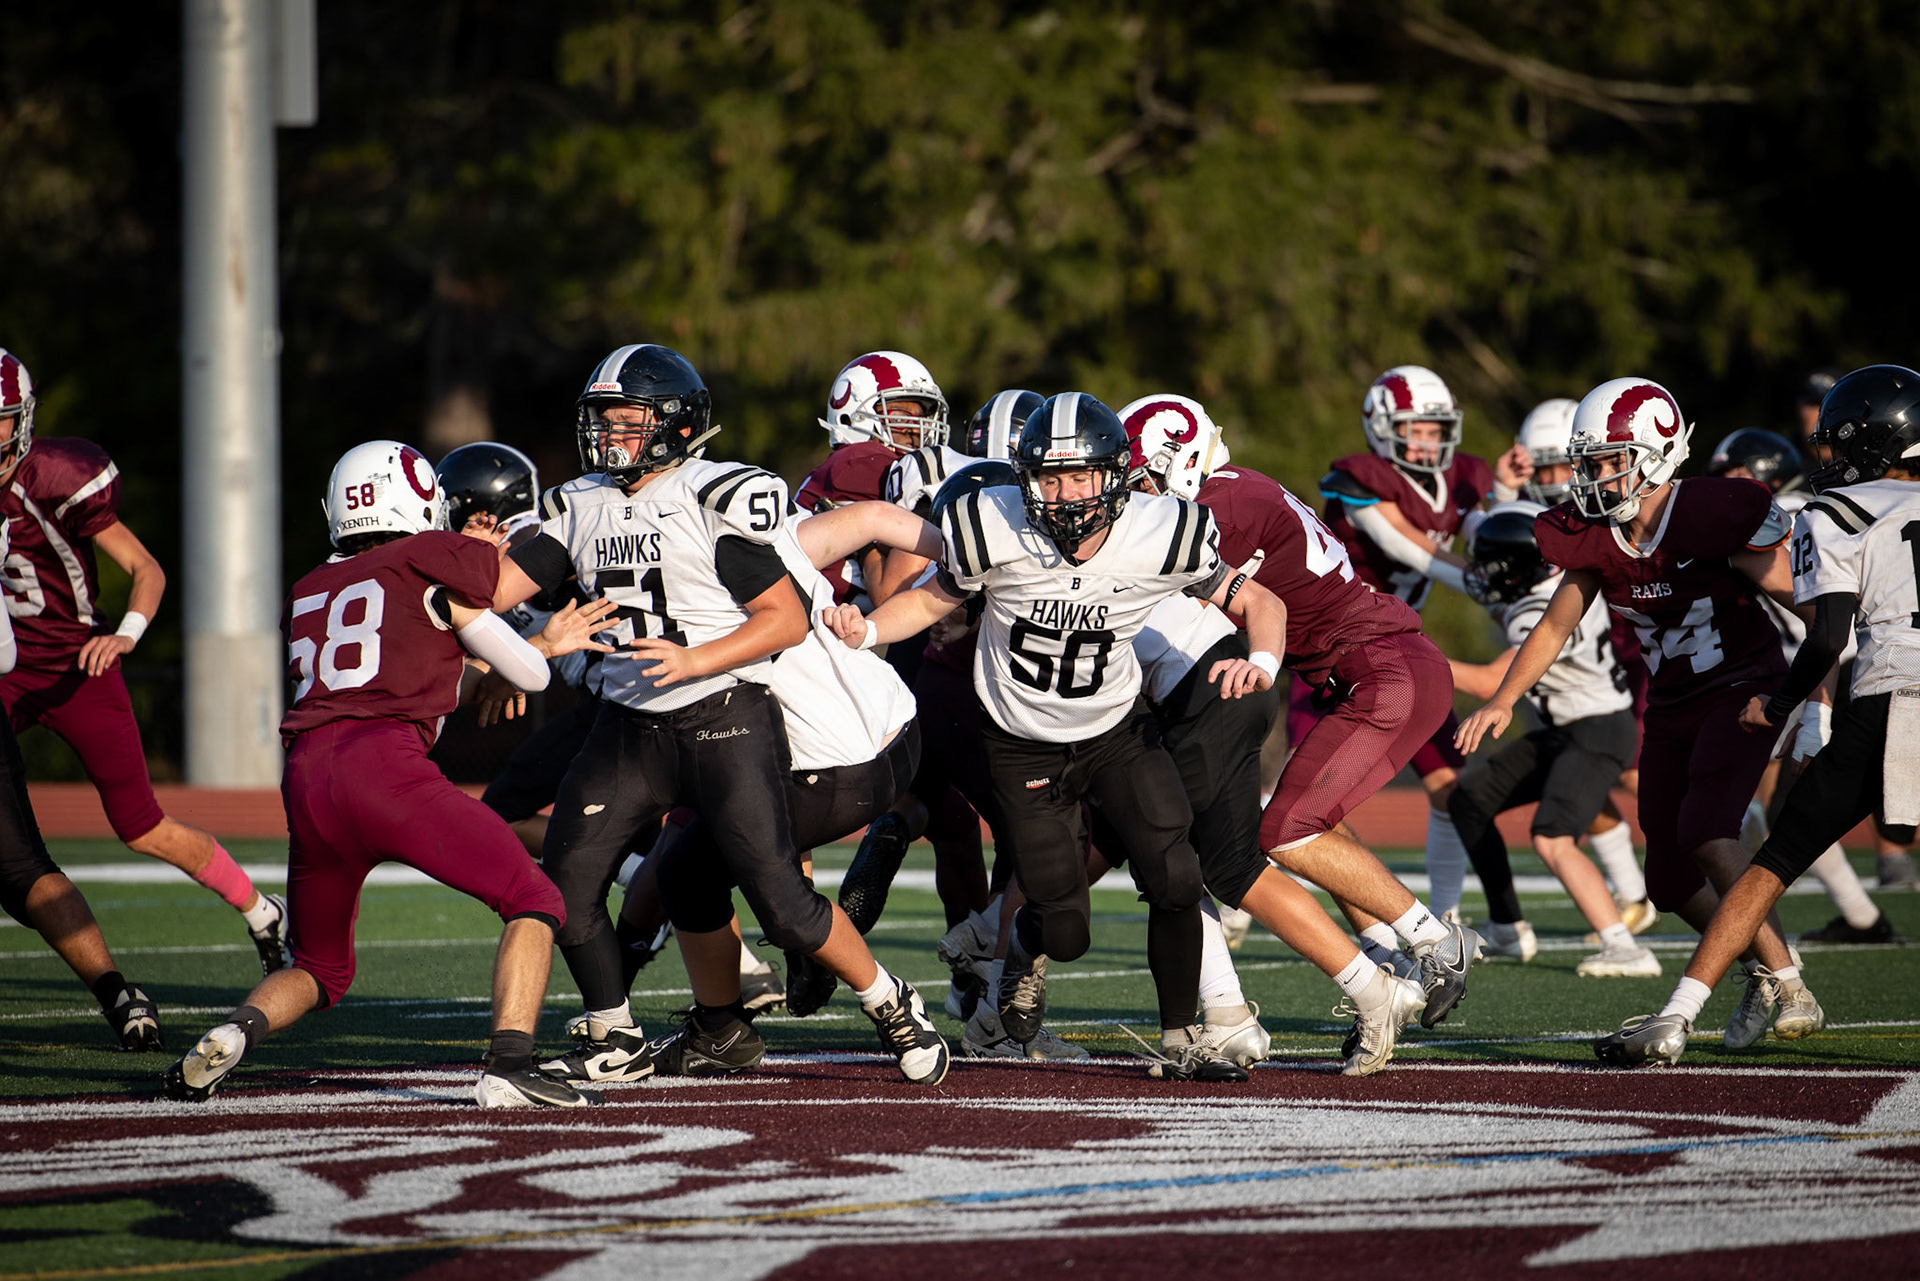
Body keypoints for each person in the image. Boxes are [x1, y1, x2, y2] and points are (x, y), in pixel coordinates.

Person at [492, 343, 949, 1086]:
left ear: (672, 423)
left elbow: (787, 613)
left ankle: (892, 1002)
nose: (607, 434)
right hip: (640, 715)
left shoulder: (723, 500)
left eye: (626, 419)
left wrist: (958, 561)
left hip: (768, 720)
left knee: (775, 900)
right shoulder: (581, 503)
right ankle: (633, 1030)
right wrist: (481, 635)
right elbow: (493, 592)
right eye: (601, 418)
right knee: (582, 880)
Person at [829, 391, 1288, 1081]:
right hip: (1020, 744)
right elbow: (932, 598)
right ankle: (1021, 956)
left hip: (1115, 731)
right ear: (1025, 477)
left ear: (1116, 475)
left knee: (1175, 873)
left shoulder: (1163, 530)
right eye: (1050, 477)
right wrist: (868, 629)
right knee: (1063, 929)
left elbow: (1258, 599)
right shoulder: (993, 525)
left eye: (1081, 476)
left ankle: (1181, 1035)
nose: (1066, 494)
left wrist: (1263, 661)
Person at [165, 440, 610, 1107]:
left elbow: (400, 671)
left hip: (309, 779)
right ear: (418, 499)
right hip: (387, 772)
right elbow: (530, 672)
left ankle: (237, 1028)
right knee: (535, 897)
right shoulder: (425, 558)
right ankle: (510, 1063)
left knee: (319, 967)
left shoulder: (308, 588)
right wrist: (541, 641)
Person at [1458, 376, 1824, 1051]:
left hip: (1743, 687)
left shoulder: (1712, 516)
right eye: (1588, 460)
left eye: (1605, 460)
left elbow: (1808, 604)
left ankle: (1788, 976)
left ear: (1654, 453)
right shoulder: (1597, 538)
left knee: (1709, 830)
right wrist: (1505, 698)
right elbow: (1552, 627)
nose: (1590, 476)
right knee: (1665, 879)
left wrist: (1816, 699)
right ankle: (1755, 965)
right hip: (1674, 704)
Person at [1122, 393, 1476, 1057]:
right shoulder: (1239, 490)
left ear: (1183, 460)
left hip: (1382, 669)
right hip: (1373, 669)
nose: (1137, 495)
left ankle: (1435, 939)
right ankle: (1384, 970)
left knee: (1285, 831)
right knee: (1316, 823)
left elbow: (1157, 588)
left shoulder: (1222, 504)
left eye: (1142, 478)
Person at [1596, 364, 1920, 1065]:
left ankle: (1682, 1014)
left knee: (1767, 861)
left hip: (1890, 689)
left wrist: (1788, 706)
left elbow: (1826, 632)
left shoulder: (1832, 512)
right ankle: (1777, 980)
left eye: (1838, 442)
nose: (1827, 455)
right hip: (1777, 696)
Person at [0, 349, 290, 976]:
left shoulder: (55, 477)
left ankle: (261, 909)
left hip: (79, 667)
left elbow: (146, 569)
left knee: (141, 826)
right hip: (7, 668)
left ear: (22, 418)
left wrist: (128, 635)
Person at [1314, 365, 1530, 925]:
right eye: (1417, 429)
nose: (1429, 441)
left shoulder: (1460, 477)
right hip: (1337, 648)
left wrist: (1505, 495)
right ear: (1382, 427)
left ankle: (1451, 917)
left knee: (1449, 787)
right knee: (1312, 798)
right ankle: (1246, 886)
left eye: (1436, 430)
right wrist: (1485, 585)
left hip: (1398, 646)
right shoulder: (1360, 481)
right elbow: (1411, 549)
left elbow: (1482, 531)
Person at [1445, 501, 1659, 977]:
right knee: (1470, 798)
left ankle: (1624, 946)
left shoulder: (1533, 610)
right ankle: (1507, 927)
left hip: (1595, 730)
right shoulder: (1567, 586)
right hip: (1575, 727)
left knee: (1553, 837)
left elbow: (1489, 684)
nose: (1485, 576)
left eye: (1494, 567)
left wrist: (1417, 660)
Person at [1707, 429, 1899, 942]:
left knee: (1801, 809)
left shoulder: (1789, 513)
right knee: (1791, 808)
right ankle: (1862, 916)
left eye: (1739, 476)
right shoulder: (1829, 506)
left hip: (1848, 666)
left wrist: (1816, 711)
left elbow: (1822, 631)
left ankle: (1862, 917)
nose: (1730, 487)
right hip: (1848, 661)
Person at [1516, 397, 1655, 928]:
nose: (1556, 478)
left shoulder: (1608, 518)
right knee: (1587, 775)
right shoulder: (1557, 521)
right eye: (1544, 466)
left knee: (1636, 774)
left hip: (1628, 662)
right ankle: (1635, 894)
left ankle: (1723, 842)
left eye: (1564, 465)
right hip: (1569, 673)